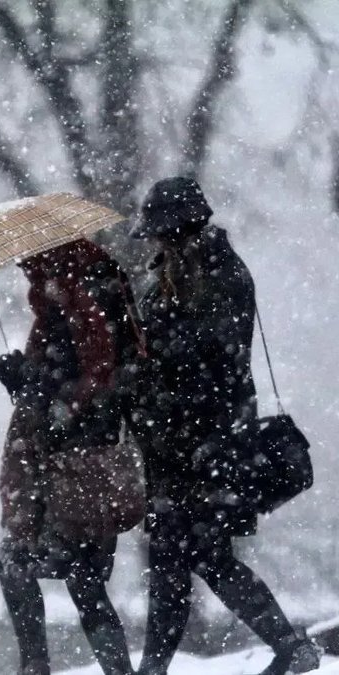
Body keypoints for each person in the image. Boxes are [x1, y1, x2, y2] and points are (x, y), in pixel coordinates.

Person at [129, 177, 320, 675]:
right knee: (185, 561)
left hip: (208, 445)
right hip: (175, 447)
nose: (154, 244)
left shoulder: (223, 276)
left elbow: (217, 365)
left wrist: (153, 364)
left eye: (160, 235)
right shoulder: (168, 279)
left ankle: (284, 646)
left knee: (194, 557)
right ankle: (283, 646)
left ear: (179, 230)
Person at [0, 238, 142, 675]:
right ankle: (94, 670)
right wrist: (22, 380)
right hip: (77, 467)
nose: (24, 269)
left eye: (28, 260)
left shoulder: (79, 299)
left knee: (35, 567)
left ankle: (36, 667)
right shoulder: (71, 299)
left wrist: (44, 393)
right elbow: (66, 380)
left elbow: (90, 382)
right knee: (76, 577)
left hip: (77, 469)